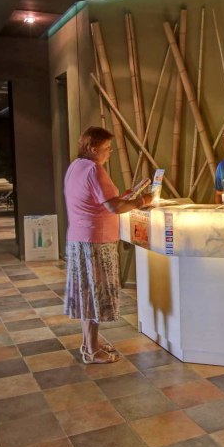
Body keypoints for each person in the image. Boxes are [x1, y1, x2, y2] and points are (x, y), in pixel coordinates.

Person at [64, 126, 153, 364]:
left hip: (80, 238)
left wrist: (124, 198)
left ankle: (88, 343)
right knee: (96, 295)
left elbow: (99, 200)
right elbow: (114, 207)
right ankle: (92, 351)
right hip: (96, 241)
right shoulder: (94, 169)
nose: (110, 152)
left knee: (87, 293)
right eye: (107, 148)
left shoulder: (76, 166)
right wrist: (142, 200)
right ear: (93, 148)